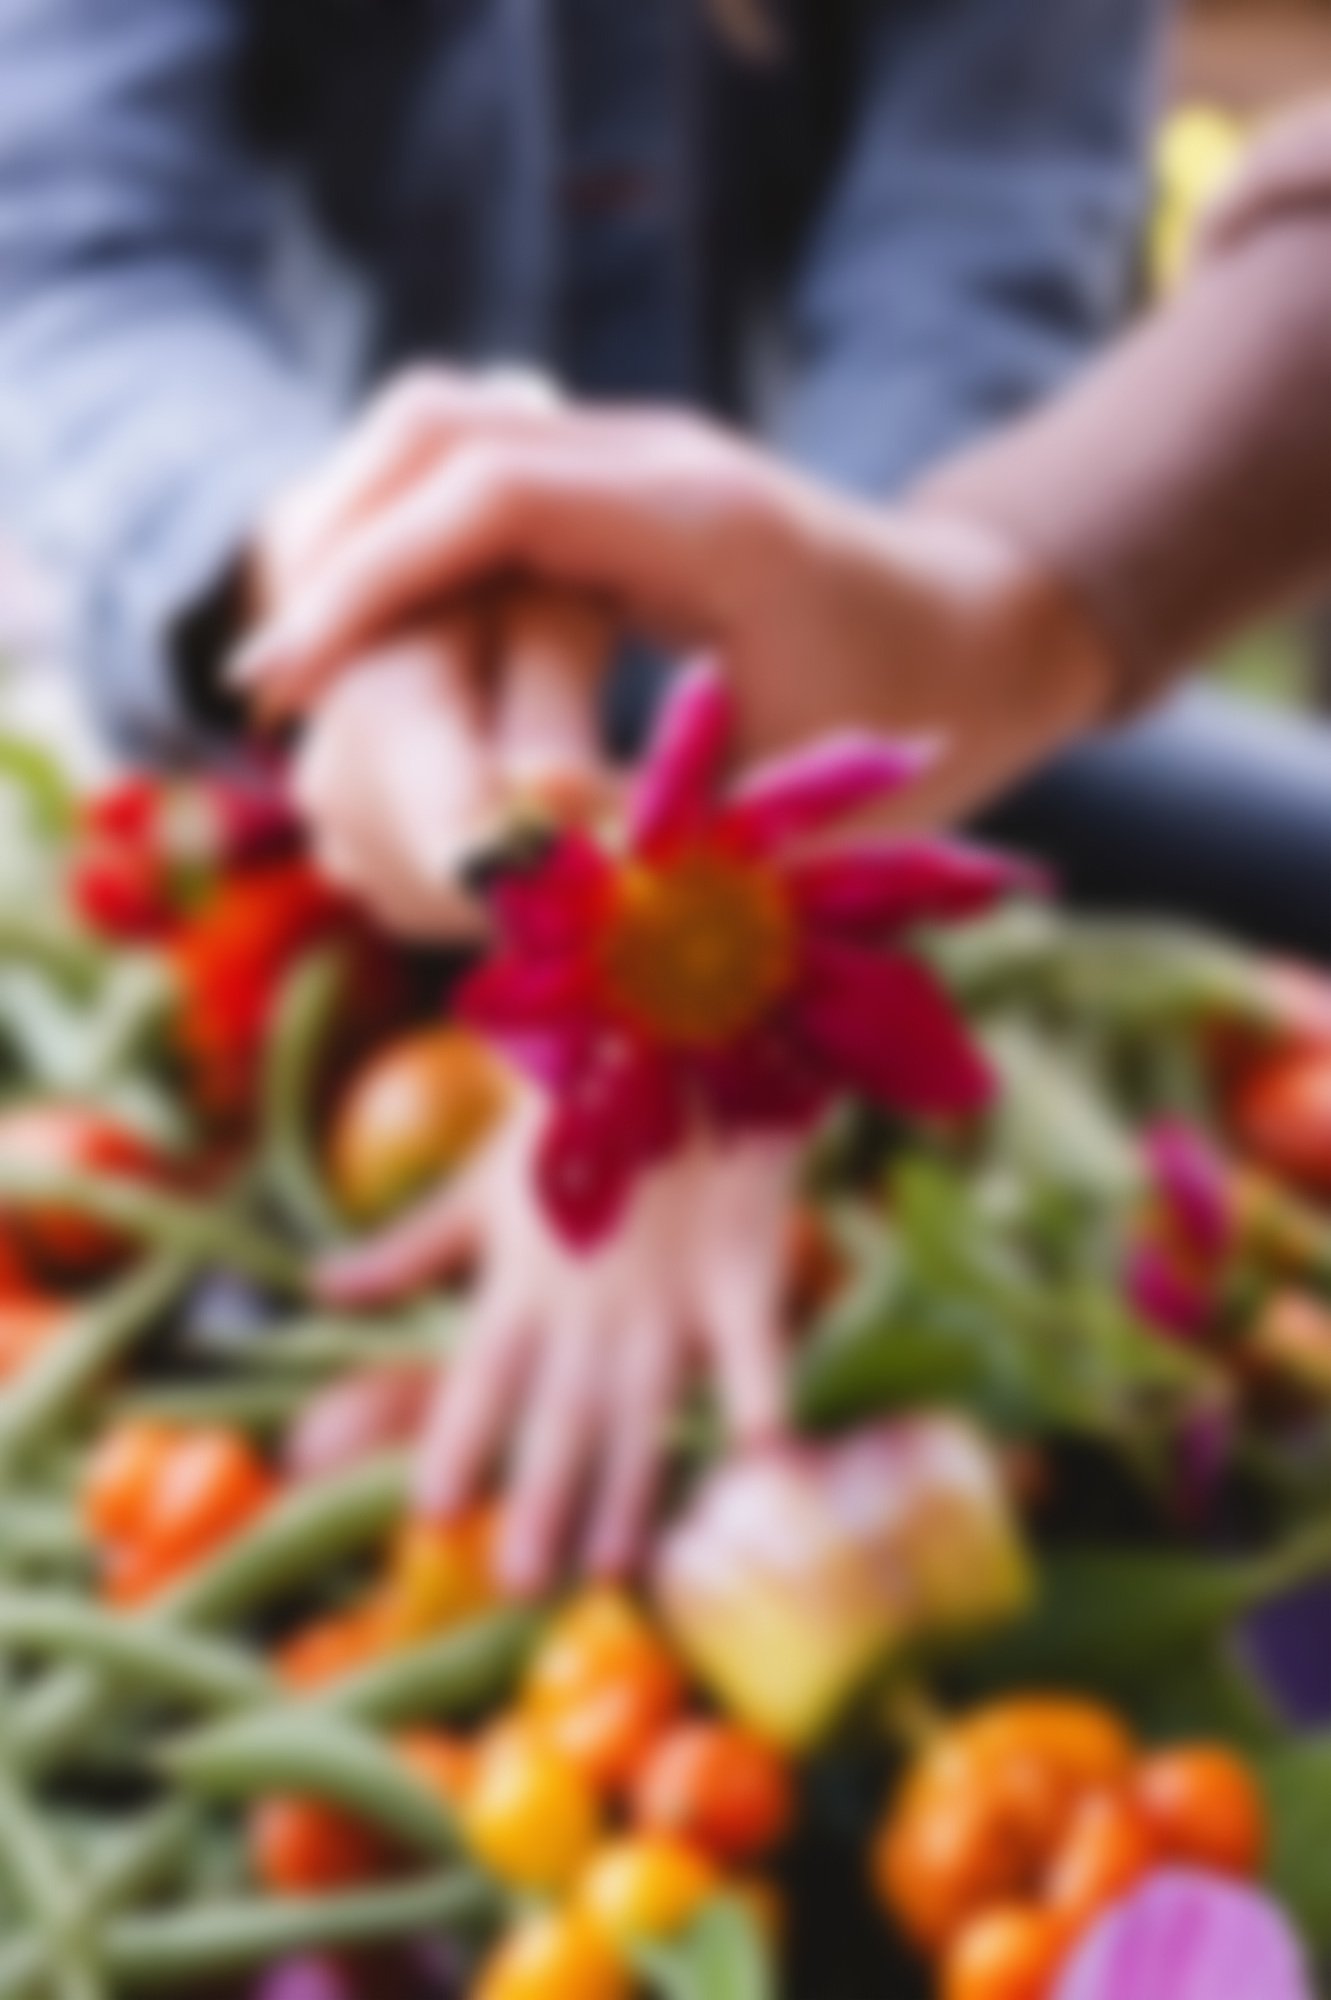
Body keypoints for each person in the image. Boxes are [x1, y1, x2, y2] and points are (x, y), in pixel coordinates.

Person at [0, 0, 1176, 1582]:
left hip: (874, 645)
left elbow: (971, 280)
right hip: (292, 662)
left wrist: (762, 913)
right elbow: (77, 244)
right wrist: (323, 567)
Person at [256, 98, 1331, 1587]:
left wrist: (979, 611)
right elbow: (85, 245)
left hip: (882, 605)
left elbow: (977, 240)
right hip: (320, 641)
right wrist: (310, 575)